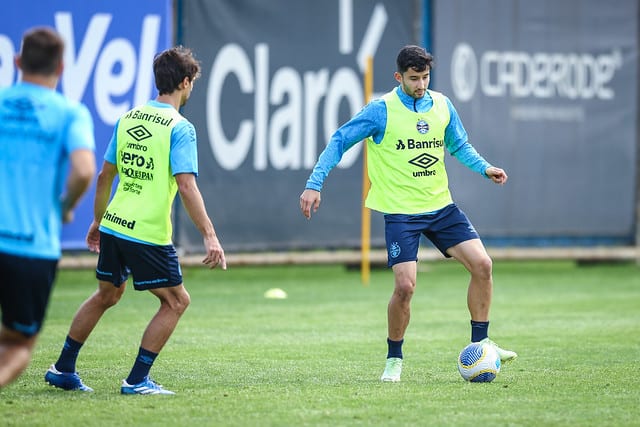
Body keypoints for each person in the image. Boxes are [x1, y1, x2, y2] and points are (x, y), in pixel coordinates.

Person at [299, 45, 517, 382]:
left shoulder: (442, 105)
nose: (421, 84)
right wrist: (315, 183)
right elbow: (340, 140)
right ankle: (394, 360)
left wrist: (484, 168)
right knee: (405, 287)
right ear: (398, 77)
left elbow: (458, 145)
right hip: (400, 213)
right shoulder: (381, 110)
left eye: (425, 77)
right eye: (414, 78)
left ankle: (482, 343)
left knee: (483, 265)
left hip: (441, 207)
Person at [45, 45, 226, 395]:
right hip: (146, 231)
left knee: (106, 295)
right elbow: (187, 186)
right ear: (186, 83)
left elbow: (103, 177)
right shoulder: (180, 128)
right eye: (192, 84)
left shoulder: (128, 118)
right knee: (176, 301)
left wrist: (99, 220)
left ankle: (63, 368)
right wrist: (210, 235)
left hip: (115, 223)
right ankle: (137, 380)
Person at [0, 27, 96, 389]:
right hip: (31, 246)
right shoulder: (70, 113)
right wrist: (66, 206)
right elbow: (85, 169)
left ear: (17, 61)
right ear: (62, 67)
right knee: (17, 344)